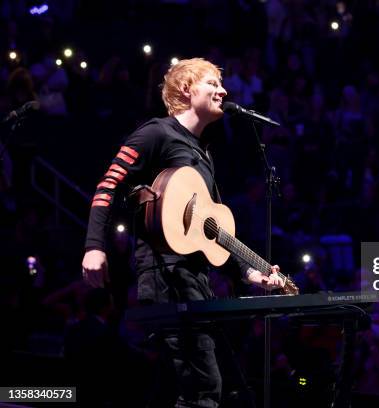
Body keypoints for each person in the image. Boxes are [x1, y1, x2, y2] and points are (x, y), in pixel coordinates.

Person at [81, 57, 285, 407]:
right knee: (203, 389)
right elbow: (108, 185)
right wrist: (94, 246)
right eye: (212, 83)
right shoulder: (155, 133)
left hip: (195, 280)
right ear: (188, 89)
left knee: (221, 388)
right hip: (166, 276)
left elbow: (216, 233)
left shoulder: (203, 156)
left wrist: (252, 270)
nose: (223, 90)